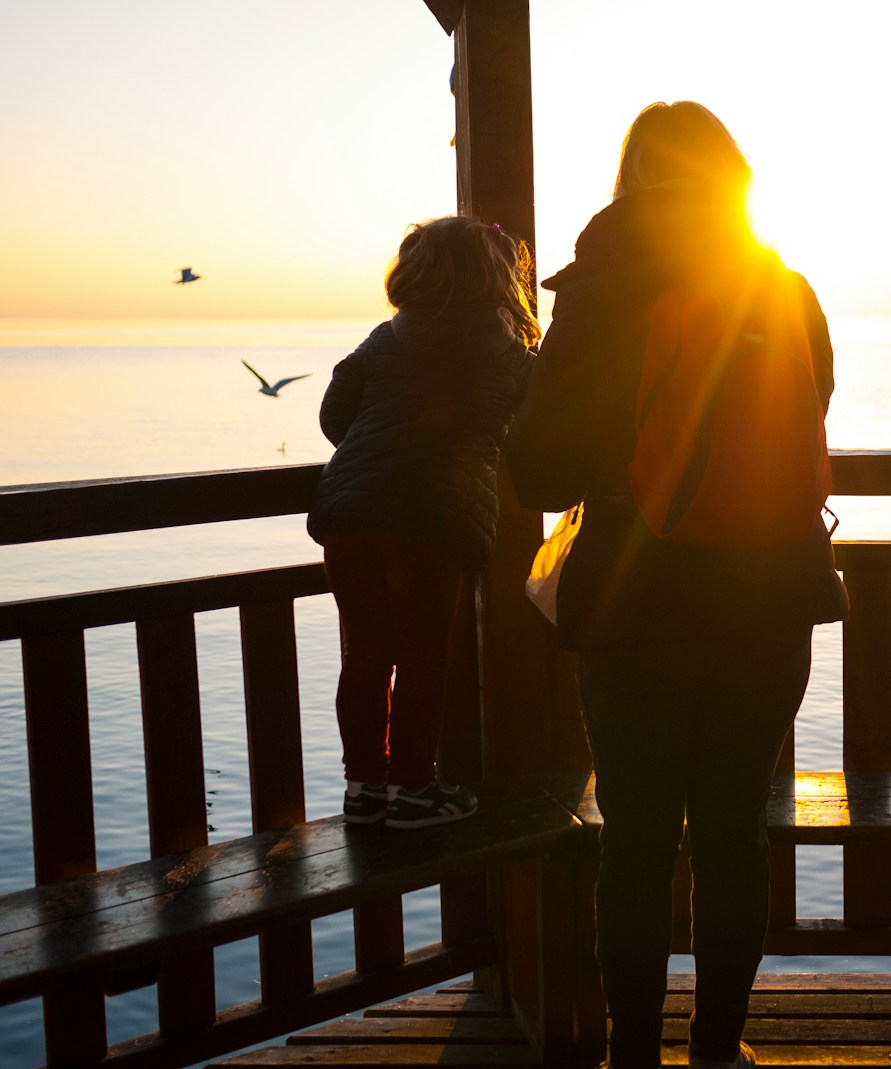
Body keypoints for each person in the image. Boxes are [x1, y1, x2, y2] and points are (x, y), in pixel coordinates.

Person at [504, 102, 848, 1069]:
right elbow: (813, 404)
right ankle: (718, 1050)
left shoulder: (607, 285)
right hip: (772, 592)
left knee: (639, 837)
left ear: (633, 182)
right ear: (733, 177)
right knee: (736, 831)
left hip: (637, 602)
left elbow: (540, 469)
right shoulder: (783, 285)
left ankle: (632, 1057)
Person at [307, 216, 538, 829]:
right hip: (435, 519)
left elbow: (336, 417)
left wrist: (375, 454)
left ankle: (364, 791)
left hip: (349, 515)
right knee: (423, 658)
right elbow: (533, 428)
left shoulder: (385, 339)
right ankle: (414, 789)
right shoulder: (507, 352)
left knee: (365, 655)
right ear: (494, 277)